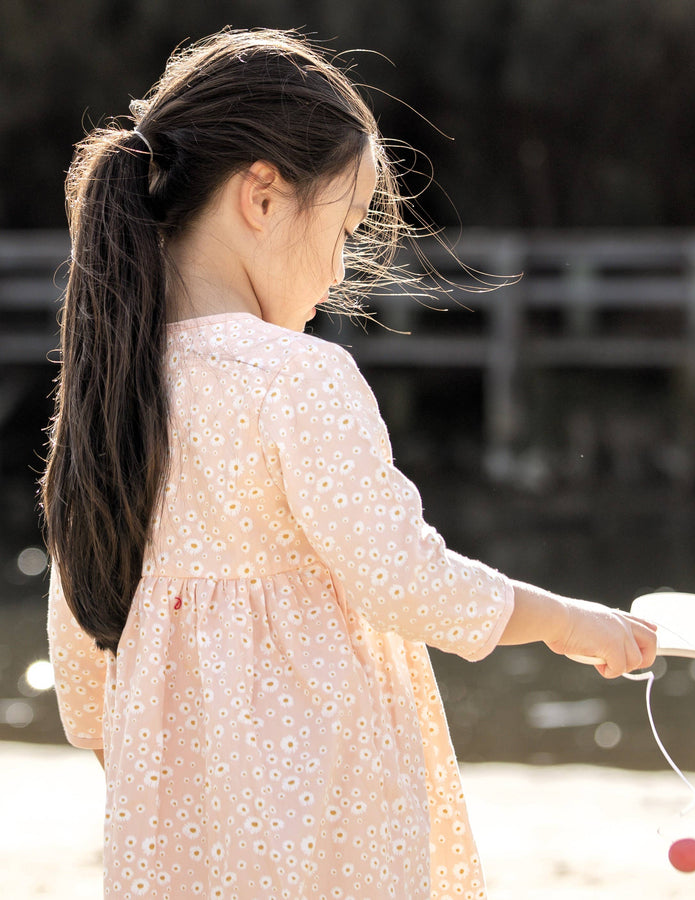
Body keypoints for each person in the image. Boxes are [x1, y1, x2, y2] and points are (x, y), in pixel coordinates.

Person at [42, 28, 657, 900]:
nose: (339, 268)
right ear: (262, 196)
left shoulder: (111, 387)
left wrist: (130, 764)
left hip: (168, 817)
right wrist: (560, 618)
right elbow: (404, 577)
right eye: (346, 223)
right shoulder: (295, 377)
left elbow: (82, 616)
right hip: (328, 813)